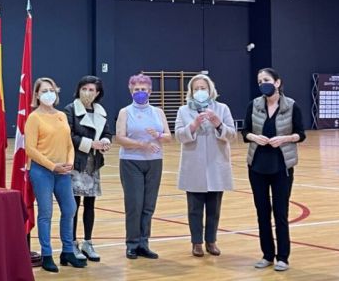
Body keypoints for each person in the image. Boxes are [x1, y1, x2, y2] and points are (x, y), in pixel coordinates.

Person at [242, 67, 305, 272]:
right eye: (260, 81)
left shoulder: (291, 106)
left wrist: (285, 139)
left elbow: (300, 134)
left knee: (280, 213)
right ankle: (267, 254)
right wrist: (254, 137)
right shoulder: (254, 105)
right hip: (257, 166)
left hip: (281, 167)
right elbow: (245, 131)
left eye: (266, 80)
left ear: (277, 82)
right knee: (262, 212)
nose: (263, 84)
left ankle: (283, 257)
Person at [24, 77, 86, 272]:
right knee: (46, 213)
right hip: (43, 171)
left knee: (69, 209)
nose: (48, 93)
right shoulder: (34, 118)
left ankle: (67, 251)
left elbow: (69, 143)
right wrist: (52, 166)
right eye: (43, 91)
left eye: (51, 90)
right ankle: (47, 253)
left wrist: (68, 162)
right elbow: (30, 149)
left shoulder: (61, 115)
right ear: (36, 95)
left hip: (63, 172)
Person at [174, 74, 236, 257]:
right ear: (191, 92)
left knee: (214, 208)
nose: (200, 92)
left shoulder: (222, 109)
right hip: (193, 165)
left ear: (210, 90)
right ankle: (196, 243)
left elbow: (232, 135)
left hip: (216, 165)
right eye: (196, 89)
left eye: (203, 88)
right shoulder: (183, 110)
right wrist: (192, 126)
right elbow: (178, 136)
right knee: (194, 208)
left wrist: (219, 124)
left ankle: (211, 241)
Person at [116, 73, 171, 259]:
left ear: (150, 91)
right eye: (136, 89)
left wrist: (157, 135)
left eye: (143, 89)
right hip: (131, 161)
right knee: (134, 204)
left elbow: (169, 137)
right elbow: (120, 138)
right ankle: (131, 243)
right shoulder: (125, 112)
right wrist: (142, 145)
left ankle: (143, 243)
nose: (140, 92)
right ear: (131, 91)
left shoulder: (158, 112)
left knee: (148, 205)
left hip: (155, 162)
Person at [64, 75, 112, 262]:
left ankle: (88, 242)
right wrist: (91, 144)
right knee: (73, 205)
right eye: (84, 88)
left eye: (92, 90)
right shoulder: (70, 110)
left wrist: (105, 141)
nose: (88, 92)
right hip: (76, 163)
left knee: (90, 204)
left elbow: (107, 132)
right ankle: (72, 243)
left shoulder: (100, 111)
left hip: (93, 164)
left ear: (98, 93)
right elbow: (70, 135)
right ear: (79, 89)